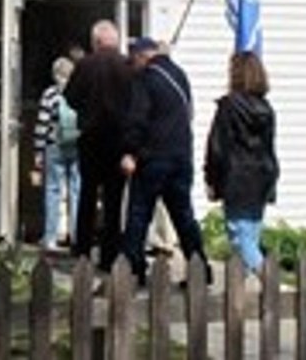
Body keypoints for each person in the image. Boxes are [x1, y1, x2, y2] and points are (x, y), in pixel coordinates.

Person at [119, 37, 210, 287]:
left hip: (152, 159)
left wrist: (130, 151)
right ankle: (200, 268)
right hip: (181, 157)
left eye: (133, 60)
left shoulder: (146, 79)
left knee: (138, 215)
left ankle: (132, 269)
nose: (132, 66)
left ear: (141, 56)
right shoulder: (180, 75)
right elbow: (189, 113)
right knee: (184, 216)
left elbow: (138, 119)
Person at [63, 20, 133, 271]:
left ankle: (82, 251)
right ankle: (109, 255)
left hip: (91, 138)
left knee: (87, 196)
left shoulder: (85, 65)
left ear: (96, 41)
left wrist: (86, 108)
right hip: (119, 140)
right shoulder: (128, 66)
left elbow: (70, 97)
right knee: (114, 201)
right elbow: (136, 100)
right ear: (114, 40)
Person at [203, 50, 279, 278]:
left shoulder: (229, 107)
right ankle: (241, 300)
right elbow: (268, 148)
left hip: (237, 177)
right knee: (251, 235)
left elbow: (218, 148)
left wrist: (211, 179)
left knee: (240, 238)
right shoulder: (267, 109)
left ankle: (269, 281)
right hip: (263, 176)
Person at [32, 52, 82, 252]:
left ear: (55, 74)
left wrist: (38, 150)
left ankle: (51, 237)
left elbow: (42, 124)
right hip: (76, 146)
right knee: (76, 191)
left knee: (53, 190)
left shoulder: (50, 94)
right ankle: (77, 236)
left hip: (55, 146)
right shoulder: (80, 92)